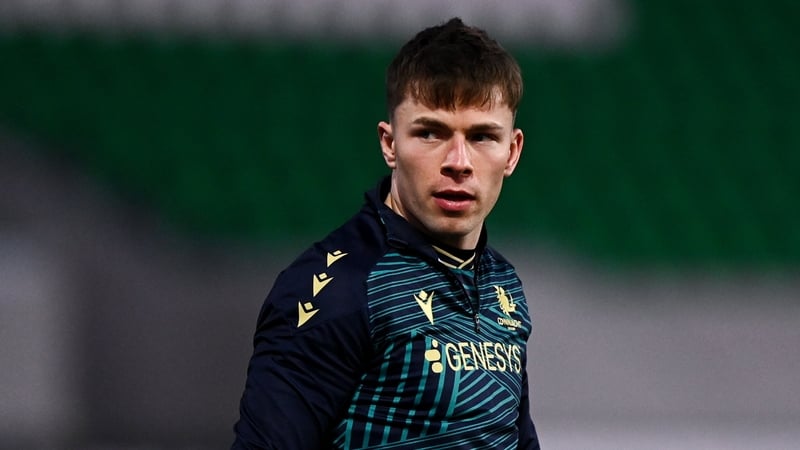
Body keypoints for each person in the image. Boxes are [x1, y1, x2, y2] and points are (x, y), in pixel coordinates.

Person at [232, 17, 540, 450]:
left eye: (482, 136)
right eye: (430, 132)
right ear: (389, 143)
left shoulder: (502, 287)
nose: (458, 161)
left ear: (512, 151)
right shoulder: (336, 289)